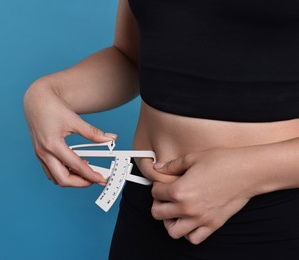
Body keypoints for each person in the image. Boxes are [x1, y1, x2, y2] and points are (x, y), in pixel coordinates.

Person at [23, 0, 299, 259]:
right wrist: (47, 93)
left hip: (277, 216)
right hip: (148, 209)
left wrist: (250, 172)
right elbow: (130, 58)